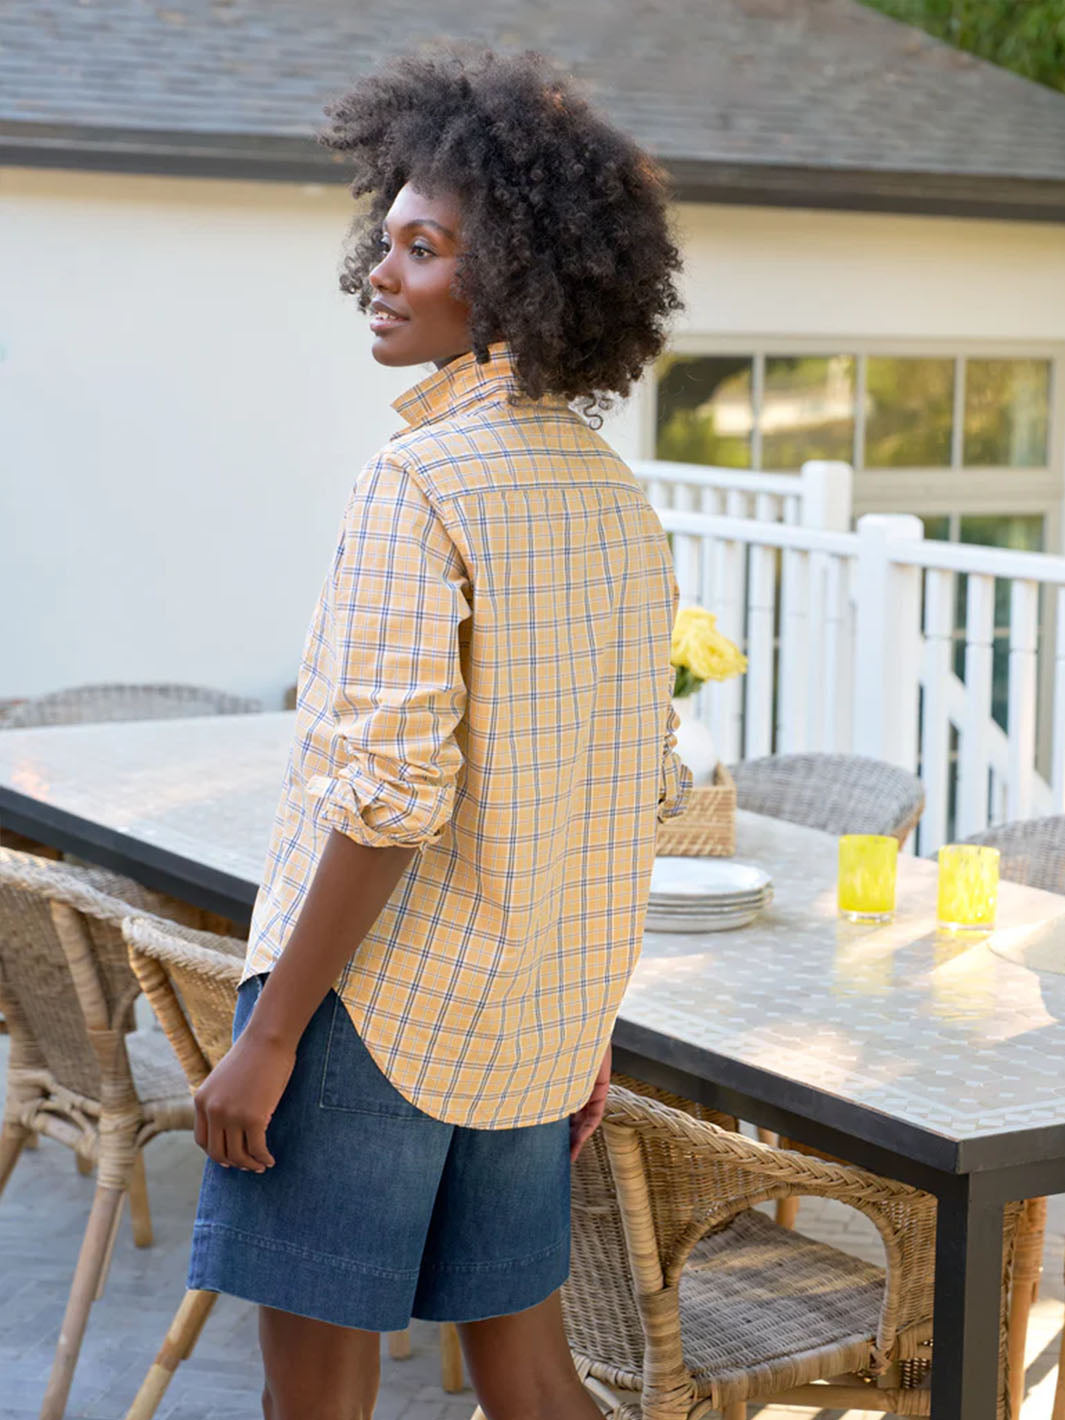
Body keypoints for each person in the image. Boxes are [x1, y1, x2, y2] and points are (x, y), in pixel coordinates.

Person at [187, 44, 692, 1420]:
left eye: (421, 248)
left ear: (513, 272)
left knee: (318, 1399)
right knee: (529, 1373)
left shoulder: (416, 483)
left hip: (369, 1013)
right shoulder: (611, 495)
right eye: (385, 240)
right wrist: (579, 1019)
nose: (380, 272)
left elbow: (388, 798)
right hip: (531, 1022)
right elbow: (620, 787)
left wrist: (273, 1035)